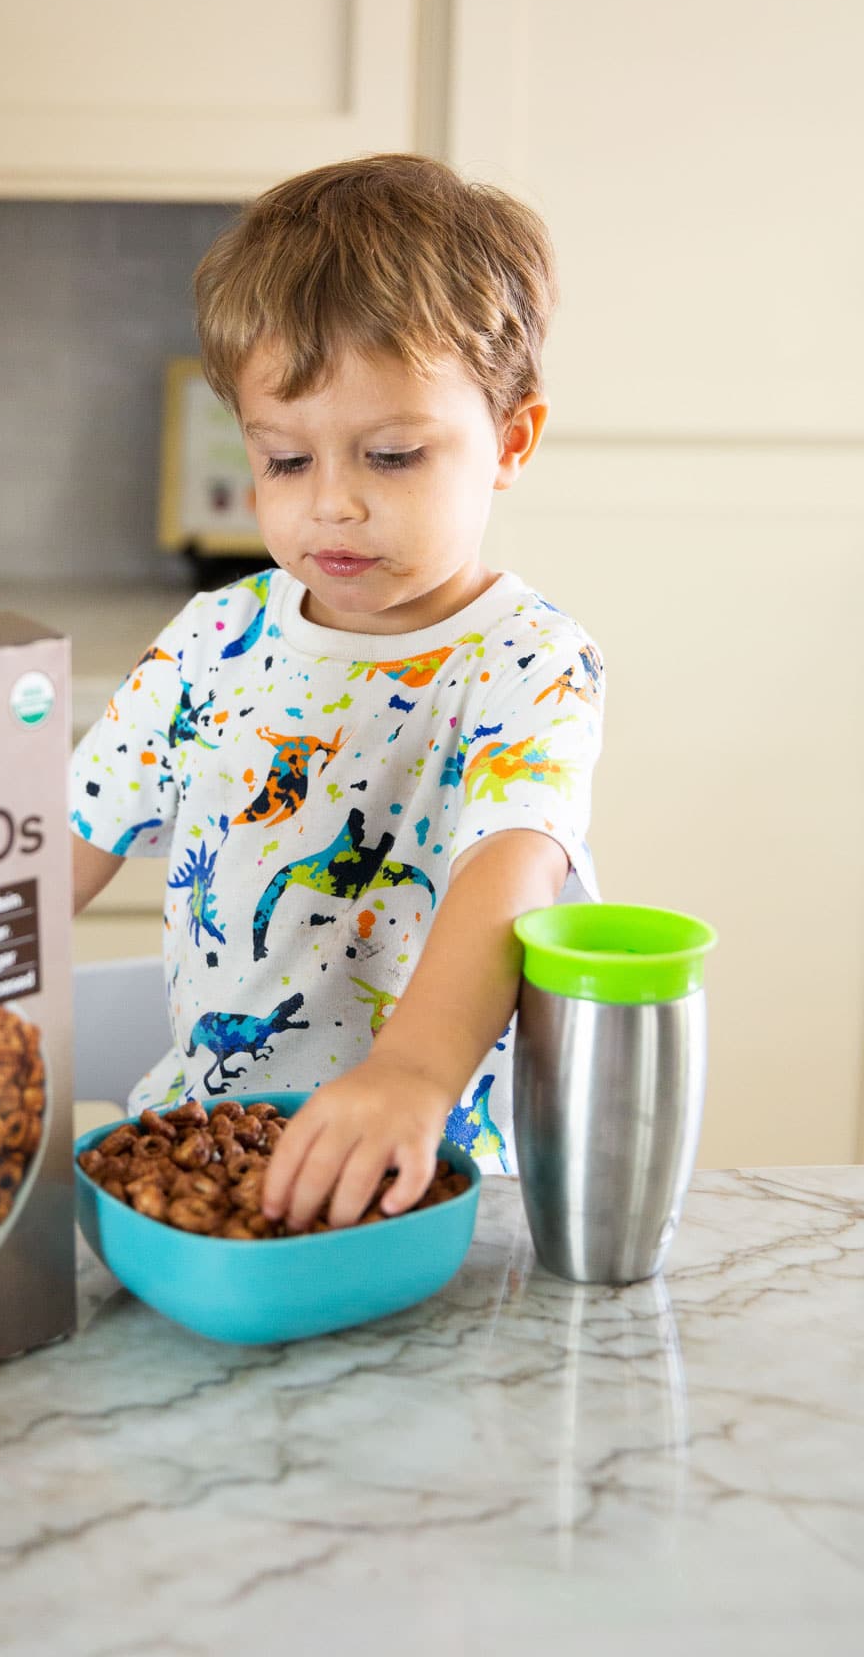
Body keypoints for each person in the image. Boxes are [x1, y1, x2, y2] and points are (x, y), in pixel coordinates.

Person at [70, 153, 604, 1234]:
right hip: (205, 1170)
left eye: (393, 456)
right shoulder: (210, 641)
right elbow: (56, 849)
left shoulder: (530, 662)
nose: (334, 508)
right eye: (283, 461)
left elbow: (511, 876)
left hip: (436, 1177)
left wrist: (410, 1073)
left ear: (510, 442)